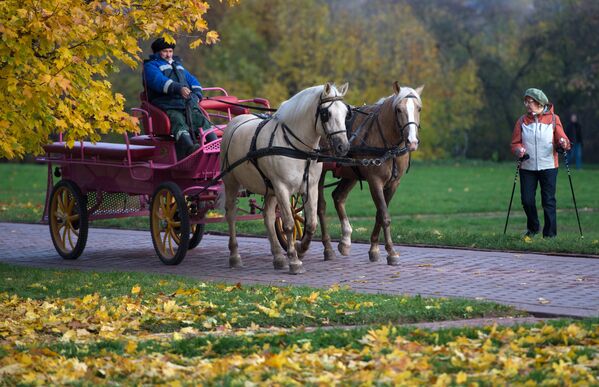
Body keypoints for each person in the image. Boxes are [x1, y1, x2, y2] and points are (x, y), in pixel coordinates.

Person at [510, 88, 571, 238]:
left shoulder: (553, 119)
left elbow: (564, 141)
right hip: (527, 167)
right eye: (526, 101)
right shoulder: (522, 121)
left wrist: (563, 143)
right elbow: (515, 143)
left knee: (548, 201)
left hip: (549, 166)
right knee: (527, 200)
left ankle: (550, 235)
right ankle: (533, 228)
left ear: (539, 102)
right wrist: (518, 151)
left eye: (530, 101)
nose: (527, 105)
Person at [143, 38, 218, 160]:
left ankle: (215, 147)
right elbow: (158, 81)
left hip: (184, 104)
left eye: (170, 51)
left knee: (201, 119)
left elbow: (192, 80)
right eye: (165, 51)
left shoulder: (178, 66)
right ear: (157, 52)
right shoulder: (150, 66)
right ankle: (190, 149)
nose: (168, 54)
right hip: (166, 104)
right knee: (178, 121)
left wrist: (197, 94)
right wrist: (178, 88)